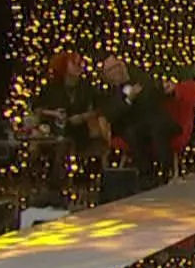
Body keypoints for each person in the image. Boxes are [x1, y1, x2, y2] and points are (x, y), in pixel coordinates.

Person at [98, 55, 177, 185]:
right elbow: (111, 114)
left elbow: (159, 91)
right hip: (132, 126)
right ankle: (147, 175)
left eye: (117, 66)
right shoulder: (108, 94)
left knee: (157, 128)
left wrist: (168, 90)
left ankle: (165, 172)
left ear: (123, 66)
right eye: (111, 69)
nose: (116, 71)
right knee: (133, 133)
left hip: (155, 120)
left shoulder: (142, 80)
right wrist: (129, 99)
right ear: (106, 76)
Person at [33, 52, 108, 189]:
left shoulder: (86, 86)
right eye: (74, 63)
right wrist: (54, 114)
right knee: (57, 145)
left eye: (80, 63)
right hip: (56, 129)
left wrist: (83, 117)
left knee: (69, 144)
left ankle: (69, 183)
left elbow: (99, 108)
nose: (79, 66)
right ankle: (54, 185)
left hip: (80, 129)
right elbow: (37, 109)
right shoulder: (52, 86)